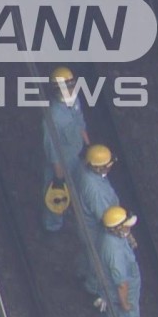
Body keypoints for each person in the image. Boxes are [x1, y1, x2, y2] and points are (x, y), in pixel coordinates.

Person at [41, 66, 90, 232]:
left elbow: (80, 123)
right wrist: (58, 177)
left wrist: (88, 147)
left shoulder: (75, 101)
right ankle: (53, 225)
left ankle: (78, 216)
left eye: (71, 85)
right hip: (62, 162)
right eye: (66, 87)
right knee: (56, 195)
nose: (70, 89)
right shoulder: (53, 116)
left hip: (77, 155)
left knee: (80, 187)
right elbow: (53, 151)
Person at [74, 144, 120, 299]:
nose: (110, 166)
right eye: (107, 165)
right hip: (94, 229)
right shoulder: (96, 191)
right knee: (98, 261)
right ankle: (92, 288)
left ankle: (80, 271)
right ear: (98, 168)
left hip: (84, 223)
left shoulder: (83, 168)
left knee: (86, 252)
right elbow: (106, 217)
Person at [98, 207, 141, 317]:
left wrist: (129, 238)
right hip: (121, 298)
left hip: (110, 296)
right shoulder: (114, 252)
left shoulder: (114, 237)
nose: (128, 229)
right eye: (125, 227)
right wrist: (125, 304)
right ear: (116, 229)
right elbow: (121, 284)